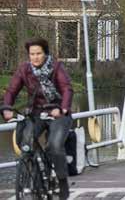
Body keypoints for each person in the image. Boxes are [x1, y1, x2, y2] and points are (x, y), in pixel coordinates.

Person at [2, 38, 73, 199]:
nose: (35, 57)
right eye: (32, 54)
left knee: (54, 146)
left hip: (58, 113)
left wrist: (63, 108)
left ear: (45, 53)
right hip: (36, 113)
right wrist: (7, 107)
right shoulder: (24, 69)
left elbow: (67, 88)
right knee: (26, 142)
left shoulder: (56, 67)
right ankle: (34, 175)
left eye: (38, 53)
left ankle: (62, 181)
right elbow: (11, 90)